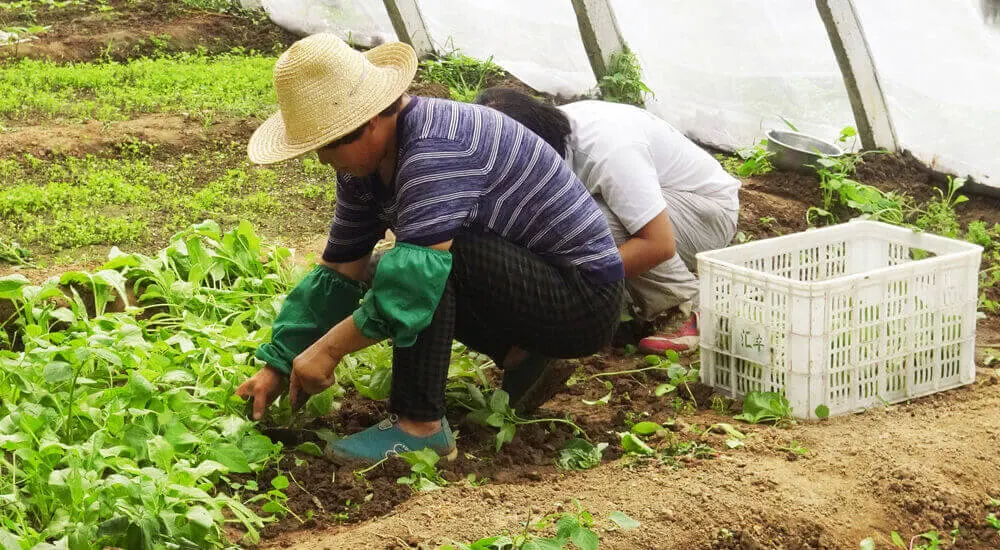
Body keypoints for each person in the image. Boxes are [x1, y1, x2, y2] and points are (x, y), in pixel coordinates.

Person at [234, 35, 625, 464]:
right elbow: (339, 270)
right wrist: (279, 362)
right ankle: (524, 353)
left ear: (369, 122)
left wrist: (327, 351)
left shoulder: (436, 148)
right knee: (384, 267)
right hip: (530, 286)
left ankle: (419, 426)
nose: (324, 161)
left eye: (328, 145)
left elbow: (413, 284)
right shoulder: (362, 170)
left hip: (583, 299)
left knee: (424, 266)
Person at [474, 88, 740, 353]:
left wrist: (575, 284)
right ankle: (626, 302)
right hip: (666, 208)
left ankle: (685, 306)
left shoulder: (607, 148)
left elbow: (659, 244)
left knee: (588, 223)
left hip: (707, 214)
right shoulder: (549, 135)